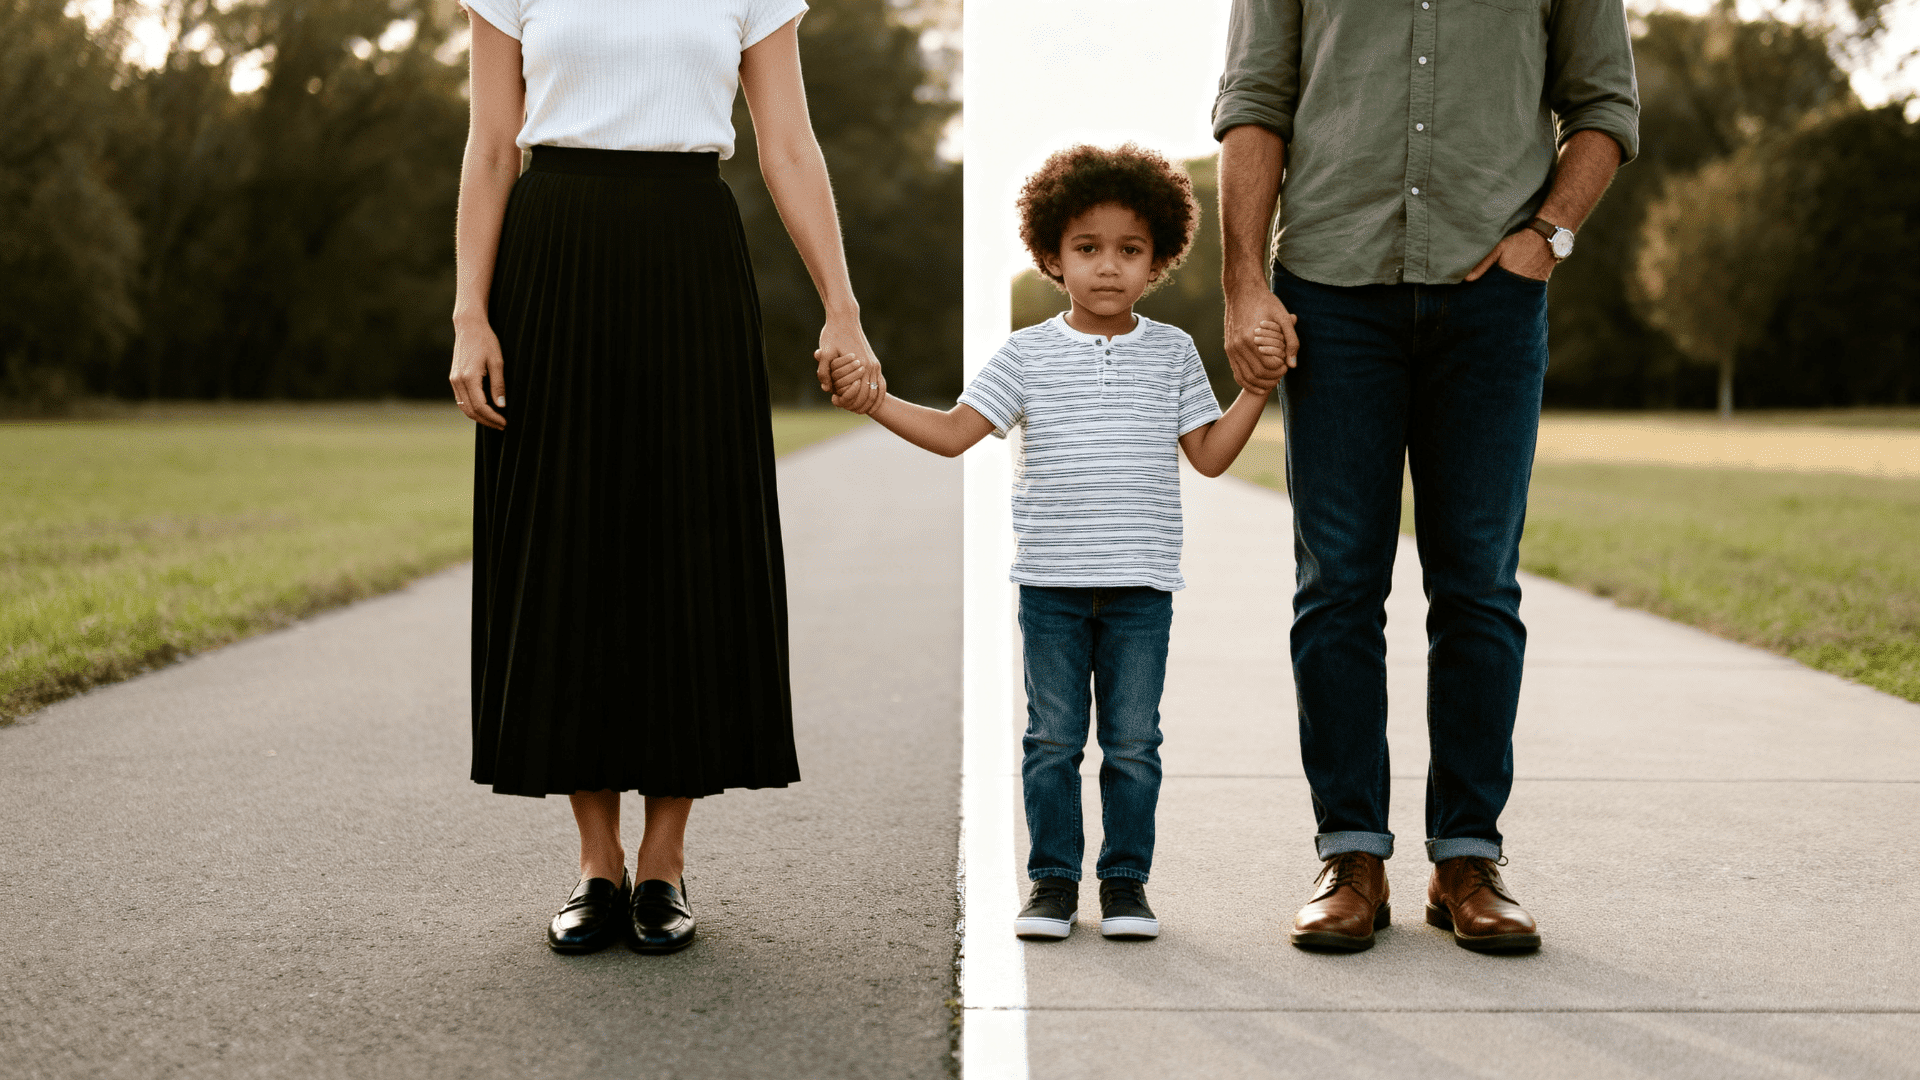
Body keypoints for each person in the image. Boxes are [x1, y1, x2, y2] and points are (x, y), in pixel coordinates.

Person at [448, 0, 887, 956]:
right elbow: (490, 148)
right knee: (568, 551)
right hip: (554, 260)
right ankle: (596, 864)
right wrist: (470, 316)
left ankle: (664, 863)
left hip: (691, 254)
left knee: (691, 546)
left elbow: (789, 148)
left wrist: (842, 308)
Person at [1213, 0, 1639, 952]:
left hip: (1491, 298)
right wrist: (1244, 285)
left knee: (1479, 582)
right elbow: (1254, 103)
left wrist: (1548, 238)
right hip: (1329, 288)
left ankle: (1467, 859)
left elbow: (1606, 109)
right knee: (1337, 585)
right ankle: (1351, 857)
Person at [822, 145, 1283, 941]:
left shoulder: (1172, 351)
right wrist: (876, 403)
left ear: (1158, 259)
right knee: (1053, 742)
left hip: (1141, 588)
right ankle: (1052, 885)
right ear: (1051, 257)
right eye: (1088, 248)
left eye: (1130, 250)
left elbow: (1208, 456)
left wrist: (1257, 390)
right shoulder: (1026, 355)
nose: (1109, 267)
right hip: (1053, 588)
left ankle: (1128, 885)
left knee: (1134, 744)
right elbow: (953, 434)